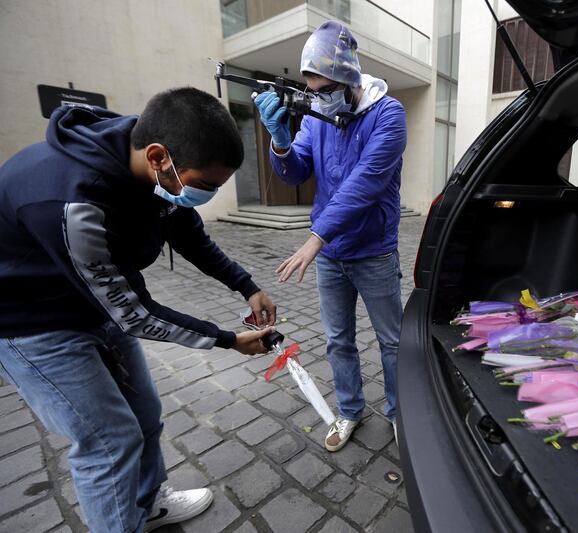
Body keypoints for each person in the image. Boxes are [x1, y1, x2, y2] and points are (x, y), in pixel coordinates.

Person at [0, 88, 277, 532]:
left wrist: (247, 286)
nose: (208, 195)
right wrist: (228, 341)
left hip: (97, 307)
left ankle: (147, 505)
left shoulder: (161, 175)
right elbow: (135, 313)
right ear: (157, 157)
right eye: (206, 185)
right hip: (33, 325)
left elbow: (191, 237)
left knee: (145, 416)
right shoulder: (73, 201)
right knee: (109, 441)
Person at [254, 20, 407, 452]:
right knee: (338, 340)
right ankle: (350, 411)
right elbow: (295, 172)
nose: (317, 97)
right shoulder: (319, 116)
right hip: (331, 256)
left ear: (349, 78)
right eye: (312, 88)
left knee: (392, 341)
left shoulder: (388, 114)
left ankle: (400, 414)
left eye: (325, 88)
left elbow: (367, 183)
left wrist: (314, 238)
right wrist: (280, 143)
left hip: (374, 250)